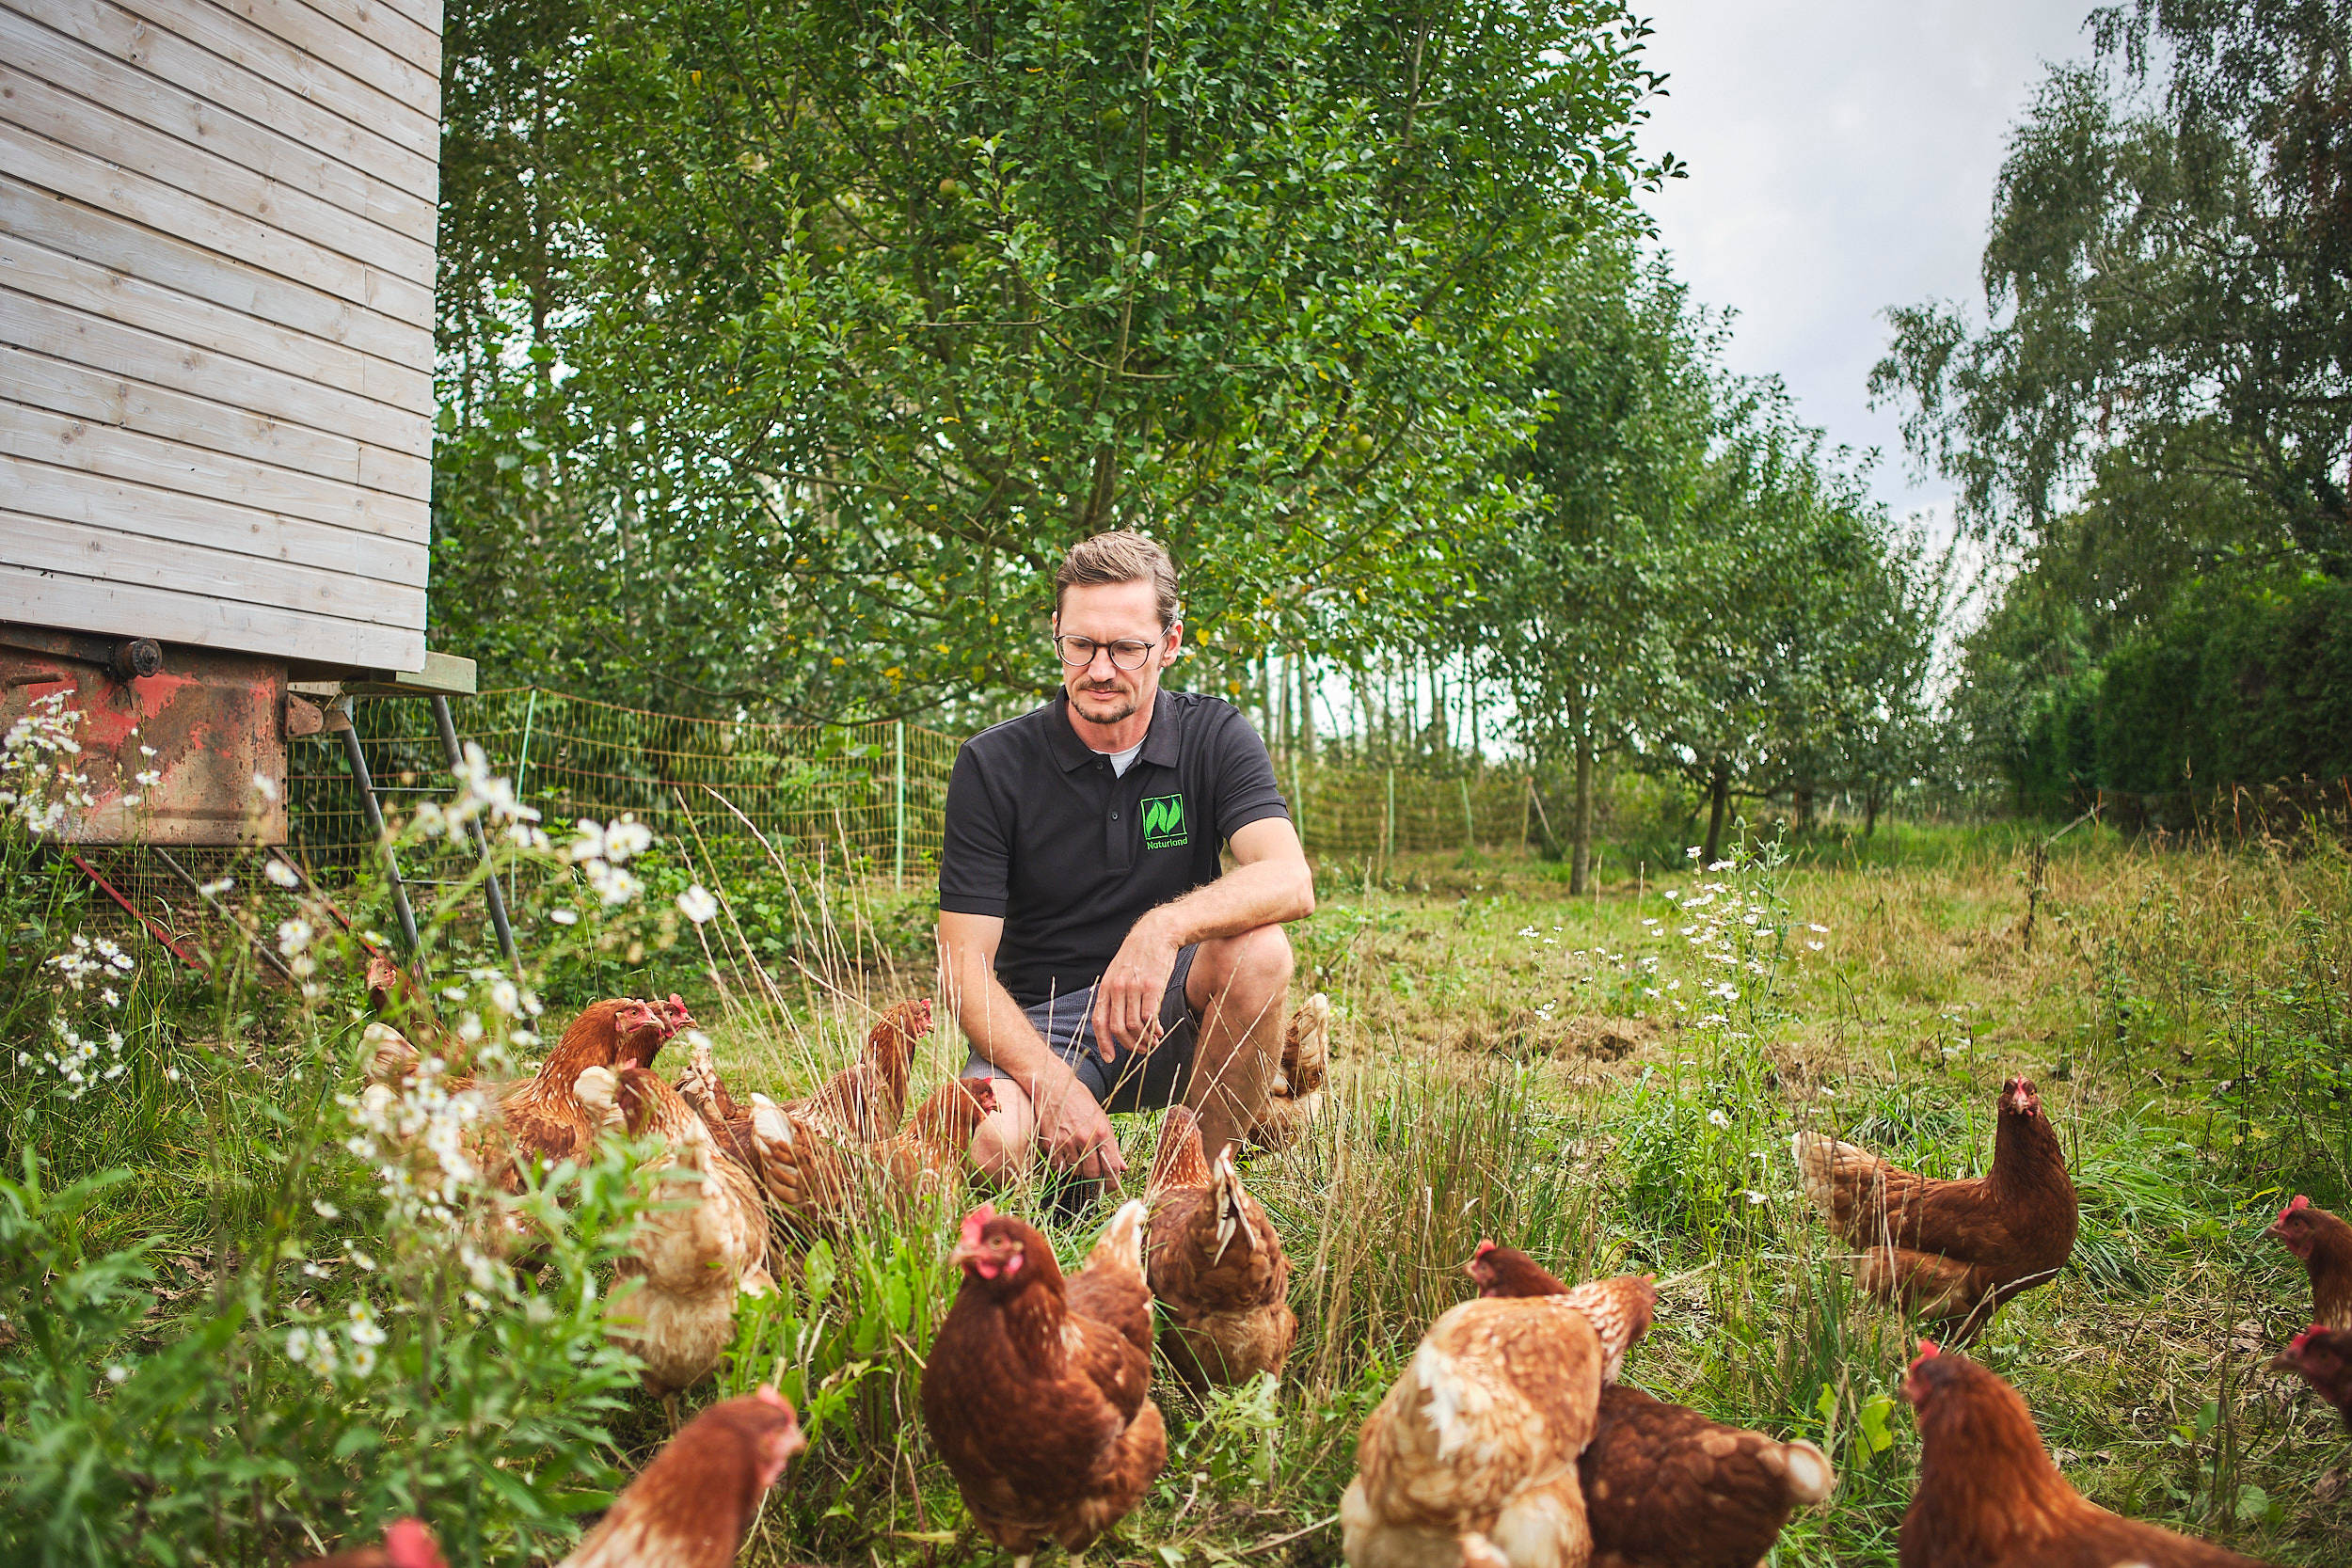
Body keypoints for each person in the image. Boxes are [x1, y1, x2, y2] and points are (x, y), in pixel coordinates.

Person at [936, 531, 1314, 1206]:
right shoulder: (992, 765)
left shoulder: (1216, 736)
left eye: (1126, 648)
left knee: (1261, 950)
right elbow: (962, 966)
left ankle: (1193, 1196)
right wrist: (1053, 1084)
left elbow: (1289, 879)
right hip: (1039, 1025)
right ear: (1057, 632)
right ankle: (1070, 1193)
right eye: (1080, 645)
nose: (1100, 668)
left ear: (1169, 643)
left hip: (1166, 1010)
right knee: (995, 1145)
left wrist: (1161, 929)